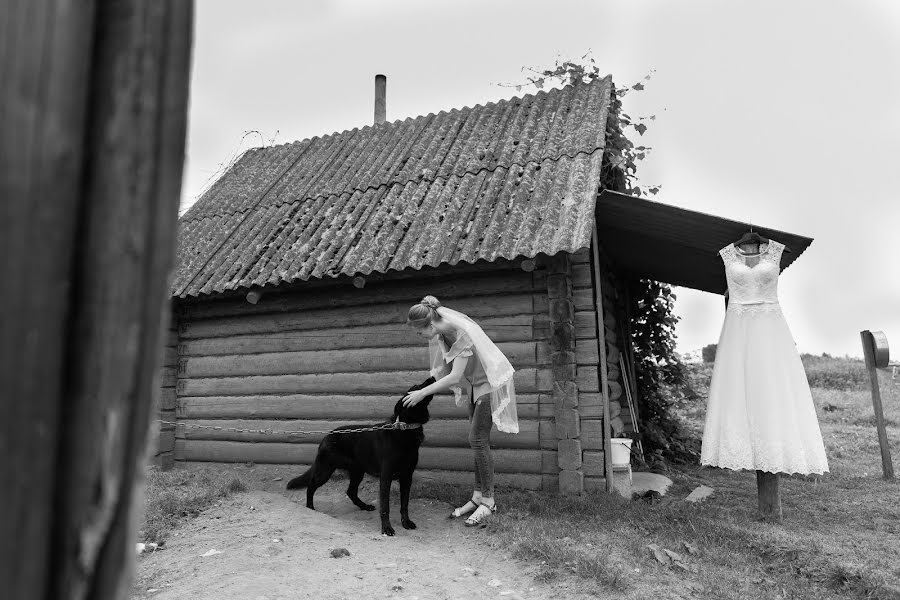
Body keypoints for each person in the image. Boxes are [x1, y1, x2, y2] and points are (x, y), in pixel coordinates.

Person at [401, 295, 518, 527]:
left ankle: (489, 501)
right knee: (476, 441)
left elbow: (454, 376)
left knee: (477, 439)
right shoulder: (443, 334)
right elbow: (445, 370)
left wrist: (422, 394)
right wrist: (421, 387)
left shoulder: (461, 332)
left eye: (419, 332)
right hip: (476, 386)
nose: (420, 337)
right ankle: (477, 497)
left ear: (430, 325)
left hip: (489, 385)